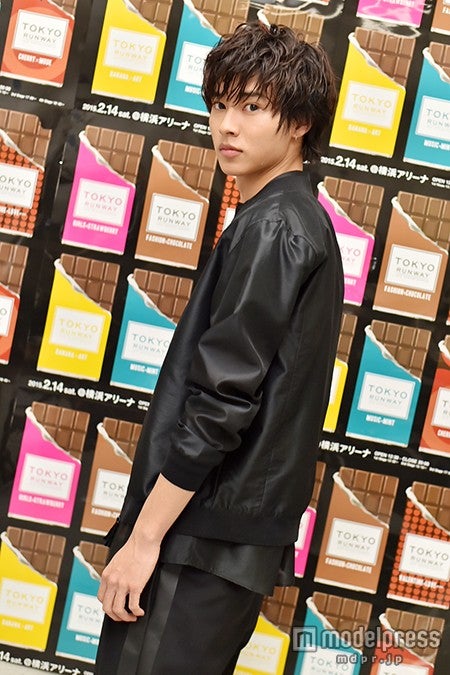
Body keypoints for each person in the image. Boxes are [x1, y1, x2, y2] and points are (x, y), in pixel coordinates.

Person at [96, 20, 343, 675]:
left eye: (252, 107)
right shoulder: (287, 218)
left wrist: (144, 538)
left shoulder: (275, 228)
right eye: (219, 104)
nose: (227, 126)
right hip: (218, 539)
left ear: (300, 122)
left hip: (198, 540)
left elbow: (220, 403)